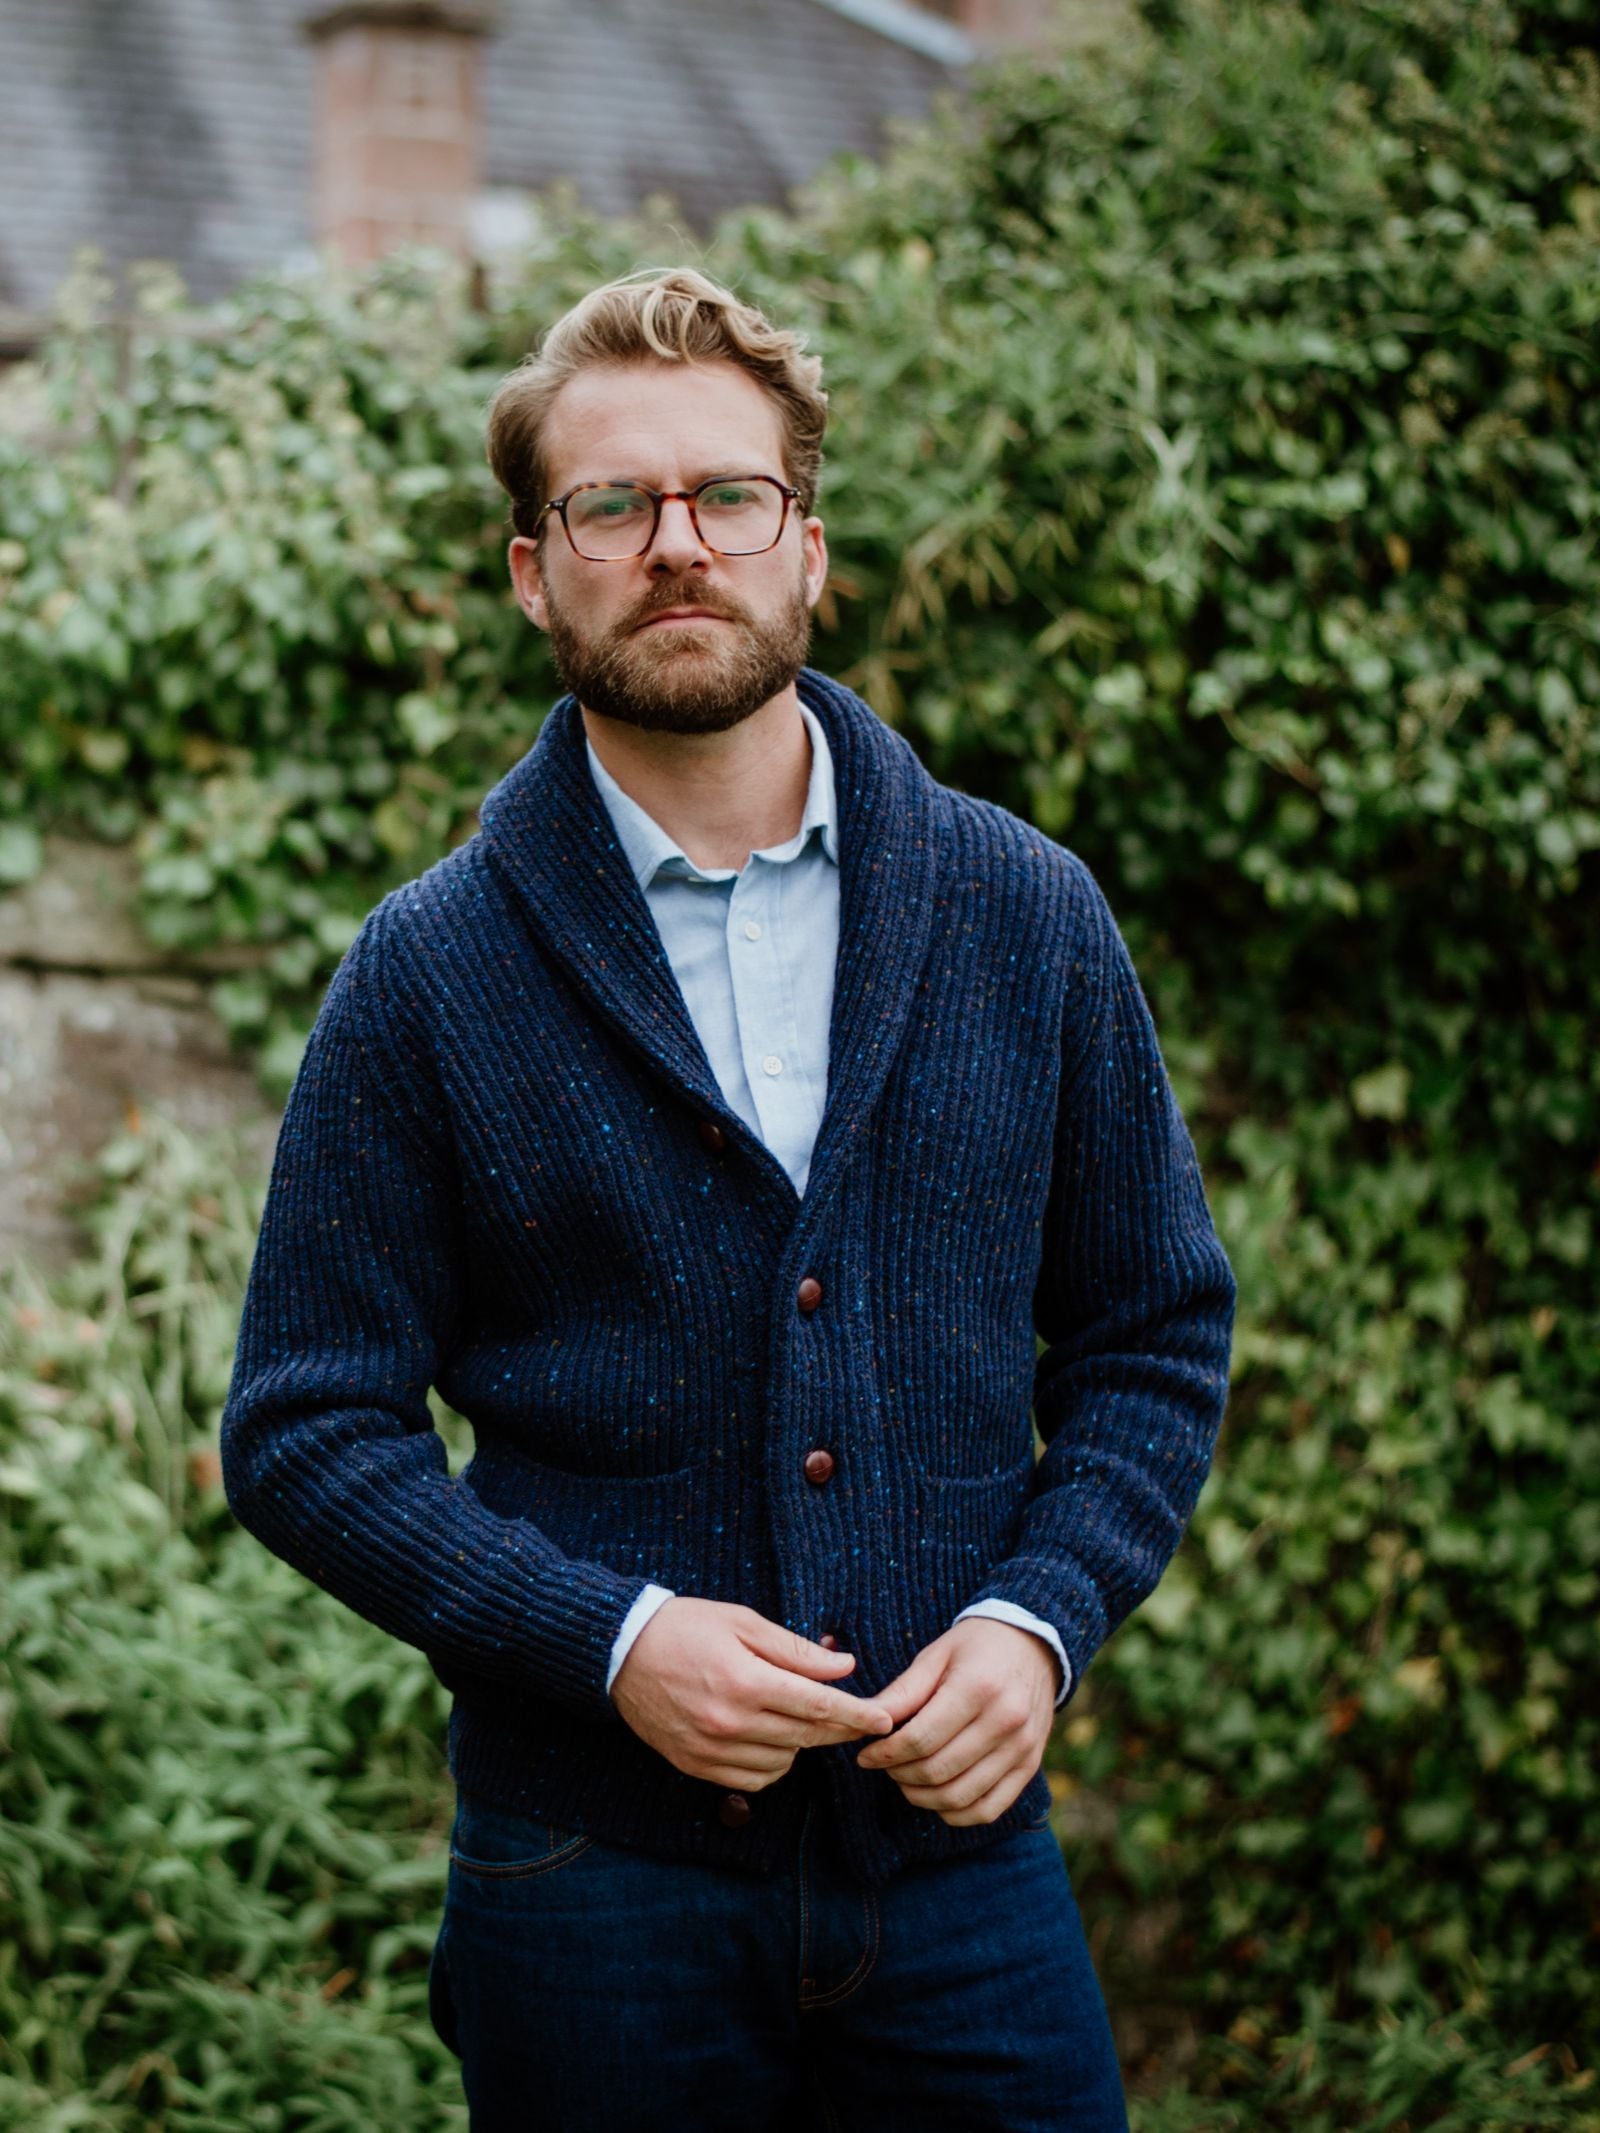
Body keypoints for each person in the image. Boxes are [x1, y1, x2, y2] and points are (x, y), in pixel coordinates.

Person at [220, 265, 1237, 2131]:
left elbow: (1155, 1334)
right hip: (585, 1887)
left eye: (729, 497)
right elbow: (302, 1424)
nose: (675, 544)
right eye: (613, 504)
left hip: (960, 1871)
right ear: (537, 568)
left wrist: (1039, 1622)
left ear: (809, 545)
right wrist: (609, 1645)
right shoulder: (428, 972)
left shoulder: (1029, 915)